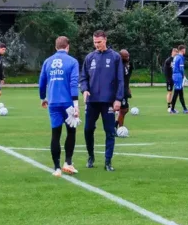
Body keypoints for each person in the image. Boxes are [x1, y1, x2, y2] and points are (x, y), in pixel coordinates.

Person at [80, 30, 124, 171]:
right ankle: (91, 156)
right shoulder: (89, 57)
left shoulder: (115, 57)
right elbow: (83, 77)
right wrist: (85, 89)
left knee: (110, 131)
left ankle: (108, 162)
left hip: (108, 101)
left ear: (105, 40)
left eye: (99, 42)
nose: (96, 45)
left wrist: (118, 99)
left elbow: (120, 80)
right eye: (94, 42)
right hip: (92, 101)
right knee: (88, 129)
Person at [39, 36, 81, 177]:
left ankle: (56, 168)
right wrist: (76, 104)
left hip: (53, 103)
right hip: (68, 103)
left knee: (55, 134)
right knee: (71, 132)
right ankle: (68, 163)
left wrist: (43, 98)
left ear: (56, 47)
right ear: (67, 47)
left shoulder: (47, 61)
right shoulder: (73, 61)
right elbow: (73, 83)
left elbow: (41, 82)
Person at [169, 44, 188, 114]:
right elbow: (181, 68)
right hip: (178, 76)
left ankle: (185, 109)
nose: (185, 51)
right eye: (185, 49)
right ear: (183, 50)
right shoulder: (180, 57)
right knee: (176, 92)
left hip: (175, 75)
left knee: (180, 92)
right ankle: (172, 109)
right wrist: (184, 76)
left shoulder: (176, 57)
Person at [116, 49, 132, 131]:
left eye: (128, 55)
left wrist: (128, 87)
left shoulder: (127, 64)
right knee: (123, 109)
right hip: (120, 90)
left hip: (125, 89)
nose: (128, 57)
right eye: (126, 56)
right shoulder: (119, 66)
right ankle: (119, 128)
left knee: (125, 109)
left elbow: (126, 78)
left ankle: (117, 125)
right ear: (121, 57)